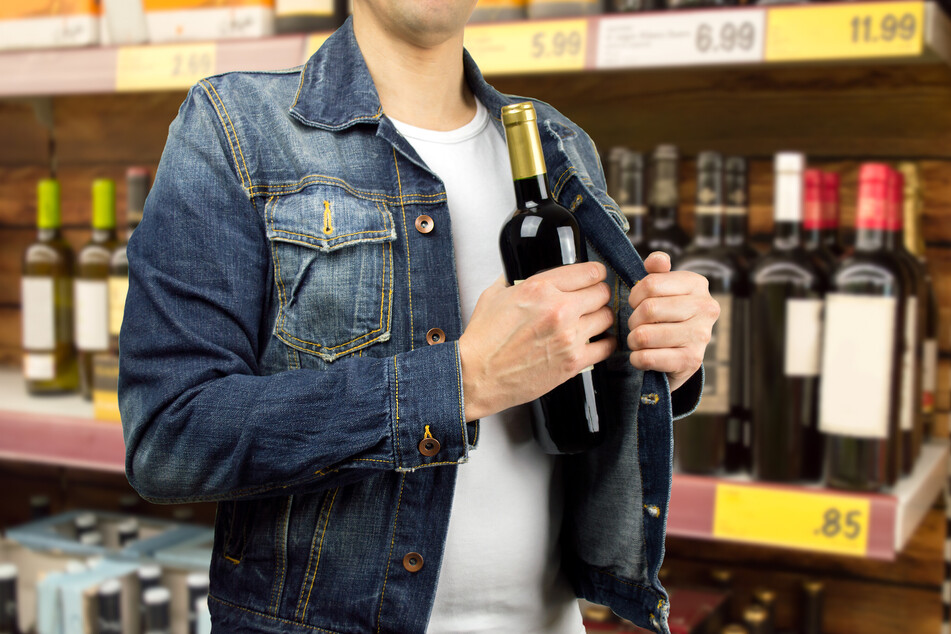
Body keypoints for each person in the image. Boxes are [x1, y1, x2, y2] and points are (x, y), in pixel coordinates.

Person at [119, 1, 719, 632]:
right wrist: (460, 382)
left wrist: (659, 356)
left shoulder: (556, 142)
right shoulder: (234, 127)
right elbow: (169, 436)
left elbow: (578, 391)